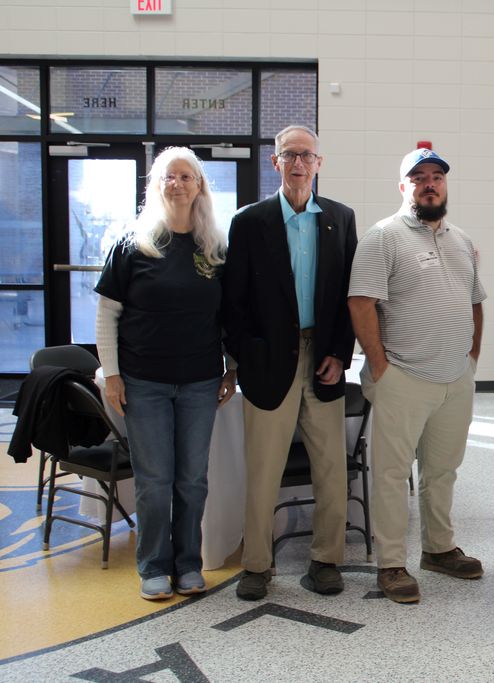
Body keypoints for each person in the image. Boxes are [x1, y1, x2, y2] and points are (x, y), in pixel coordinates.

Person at [222, 125, 358, 601]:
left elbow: (348, 299)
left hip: (324, 360)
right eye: (289, 155)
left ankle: (326, 560)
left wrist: (341, 353)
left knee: (331, 470)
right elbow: (232, 302)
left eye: (307, 155)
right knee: (262, 471)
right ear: (274, 162)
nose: (298, 163)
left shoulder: (341, 219)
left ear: (319, 163)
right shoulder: (249, 221)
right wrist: (243, 358)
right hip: (267, 364)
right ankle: (257, 566)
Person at [95, 147, 236, 600]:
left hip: (200, 382)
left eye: (186, 177)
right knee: (154, 482)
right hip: (144, 382)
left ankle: (188, 565)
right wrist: (113, 375)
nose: (177, 184)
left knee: (192, 480)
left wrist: (231, 369)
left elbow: (229, 318)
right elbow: (106, 315)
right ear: (157, 186)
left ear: (199, 187)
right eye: (168, 177)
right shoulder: (132, 244)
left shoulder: (214, 249)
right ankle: (153, 567)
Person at [348, 147, 485, 604]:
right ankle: (391, 563)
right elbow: (361, 302)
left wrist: (472, 358)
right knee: (390, 473)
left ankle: (439, 549)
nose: (430, 183)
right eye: (419, 176)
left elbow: (474, 302)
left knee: (442, 470)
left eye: (437, 177)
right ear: (403, 186)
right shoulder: (382, 237)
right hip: (402, 377)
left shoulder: (462, 240)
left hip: (454, 379)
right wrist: (380, 365)